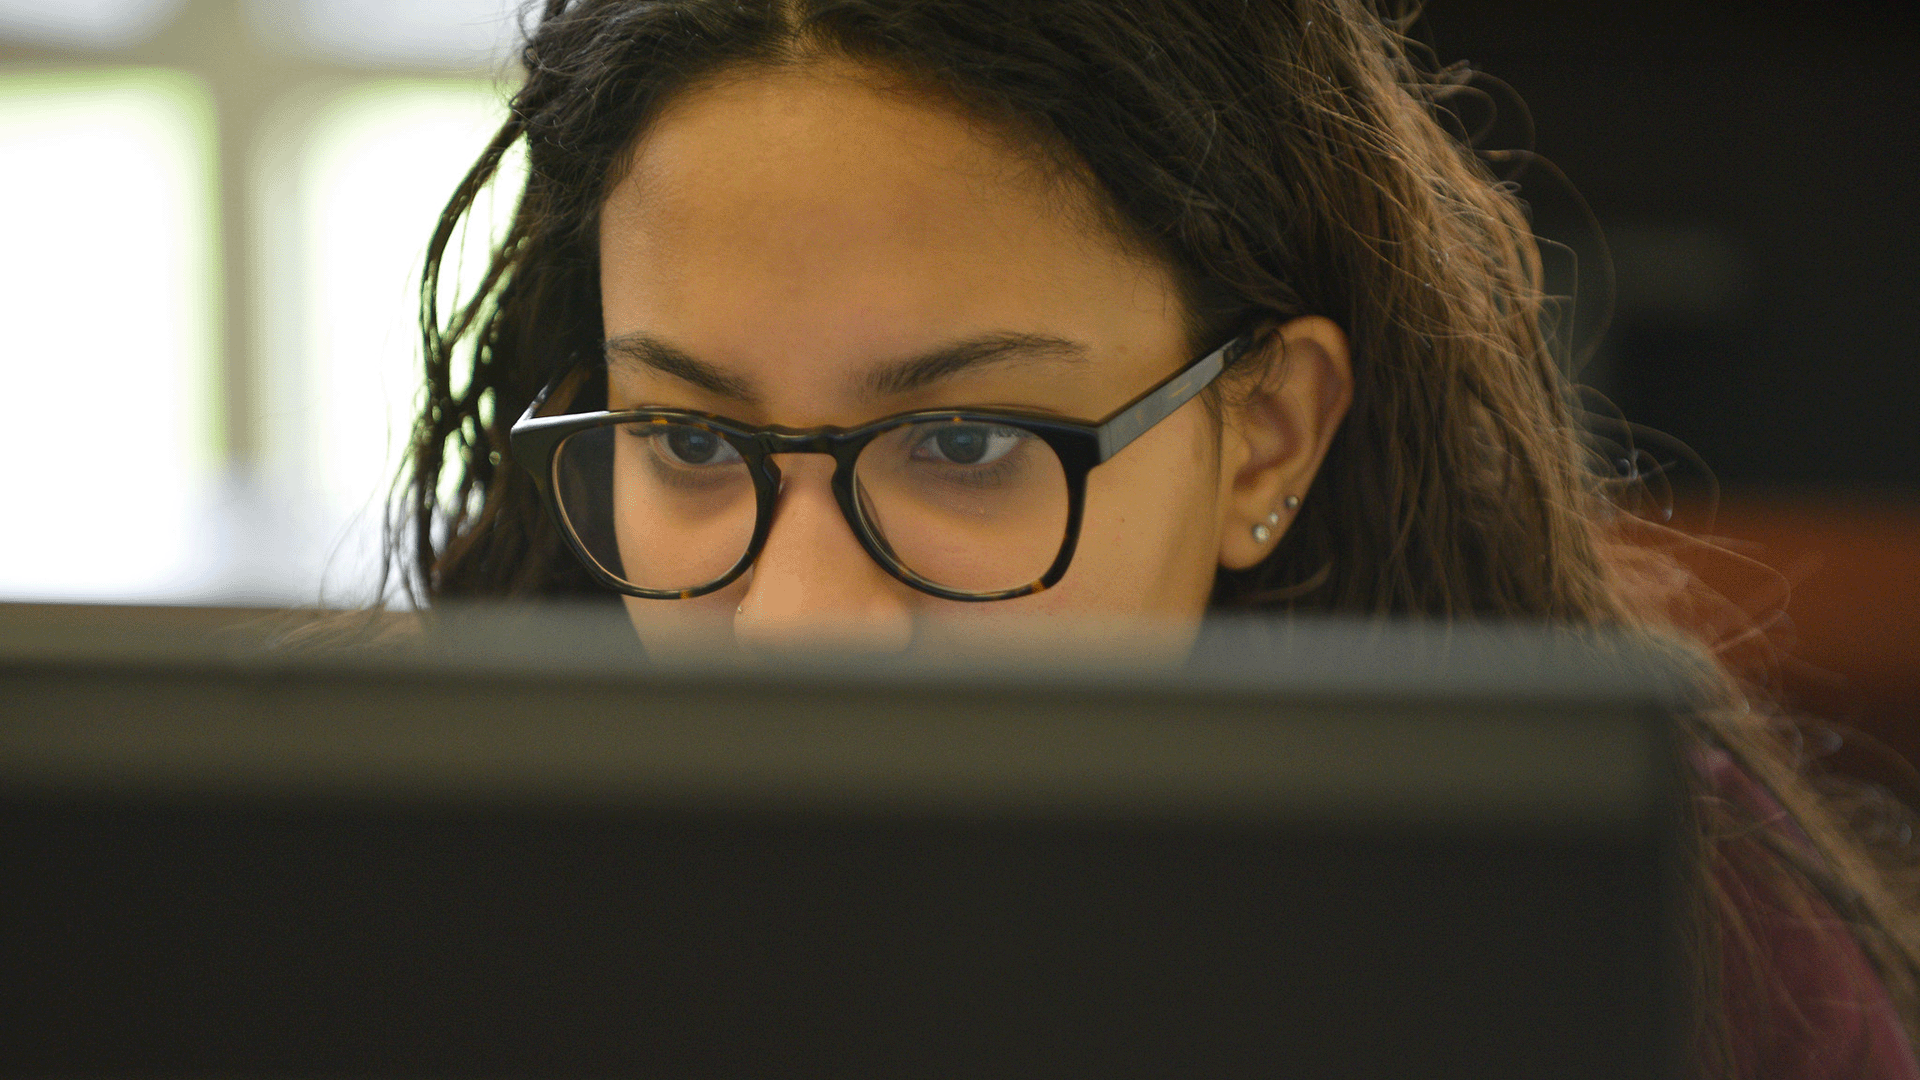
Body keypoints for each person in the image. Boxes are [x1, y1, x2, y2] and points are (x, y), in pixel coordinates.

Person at [397, 0, 1920, 1074]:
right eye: (690, 442)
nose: (798, 621)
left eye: (967, 444)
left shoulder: (1685, 960)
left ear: (1263, 434)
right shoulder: (428, 923)